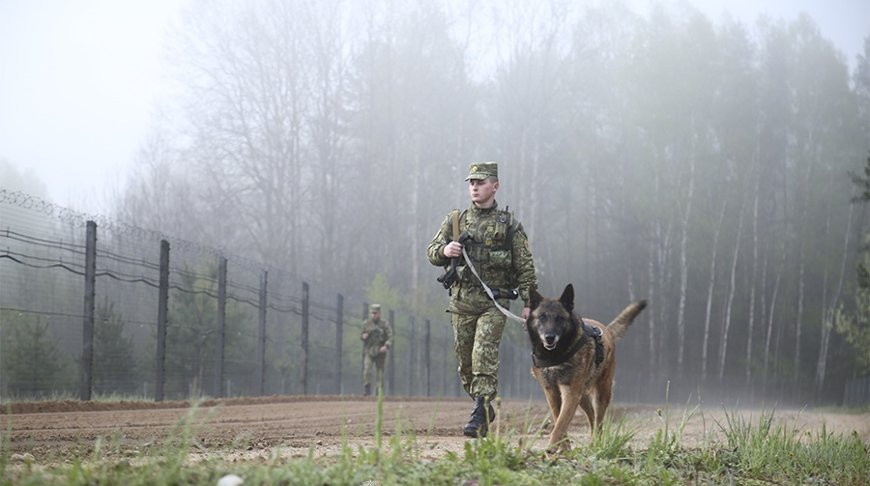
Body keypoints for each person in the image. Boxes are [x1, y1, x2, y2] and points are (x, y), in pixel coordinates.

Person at [426, 162, 537, 437]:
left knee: (482, 355)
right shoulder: (456, 221)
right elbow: (431, 252)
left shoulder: (509, 224)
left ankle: (480, 410)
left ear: (495, 186)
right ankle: (482, 404)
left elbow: (525, 266)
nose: (474, 187)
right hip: (462, 303)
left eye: (480, 182)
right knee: (466, 365)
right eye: (471, 182)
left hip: (494, 304)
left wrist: (530, 303)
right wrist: (445, 250)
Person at [360, 304, 392, 396]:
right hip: (369, 351)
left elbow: (390, 336)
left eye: (375, 313)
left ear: (379, 313)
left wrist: (386, 346)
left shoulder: (385, 324)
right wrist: (363, 336)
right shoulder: (366, 324)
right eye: (372, 313)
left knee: (380, 372)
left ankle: (379, 392)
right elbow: (361, 335)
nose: (373, 315)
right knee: (367, 369)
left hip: (380, 351)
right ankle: (367, 390)